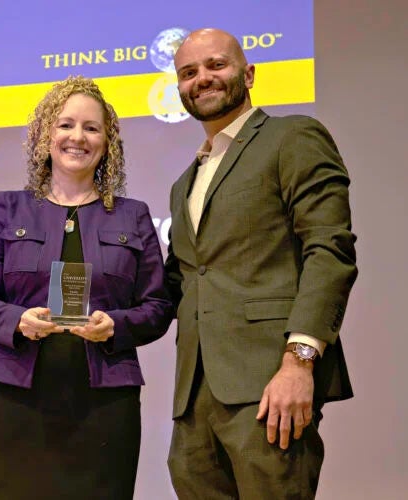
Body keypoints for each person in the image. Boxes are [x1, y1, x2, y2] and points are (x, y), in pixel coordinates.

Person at [0, 75, 173, 500]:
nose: (78, 137)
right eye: (66, 124)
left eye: (92, 128)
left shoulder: (132, 216)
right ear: (46, 135)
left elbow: (159, 306)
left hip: (105, 404)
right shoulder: (7, 208)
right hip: (16, 399)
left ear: (107, 143)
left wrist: (115, 326)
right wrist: (17, 320)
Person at [165, 28, 358, 499]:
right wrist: (108, 316)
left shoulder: (291, 137)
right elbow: (180, 281)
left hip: (270, 383)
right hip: (195, 398)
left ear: (248, 74)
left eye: (216, 65)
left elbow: (329, 249)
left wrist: (299, 362)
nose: (202, 78)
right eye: (188, 72)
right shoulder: (183, 183)